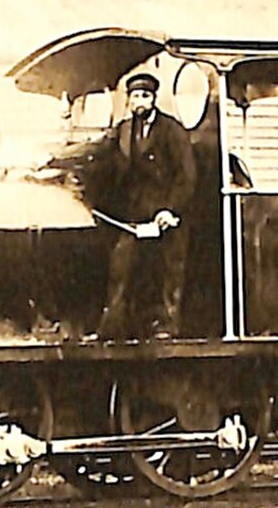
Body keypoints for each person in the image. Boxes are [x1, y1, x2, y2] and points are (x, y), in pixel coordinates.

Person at [82, 73, 197, 339]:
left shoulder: (172, 130)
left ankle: (167, 327)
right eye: (135, 96)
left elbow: (187, 175)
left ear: (154, 99)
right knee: (121, 268)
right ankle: (112, 329)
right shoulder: (123, 131)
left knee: (169, 271)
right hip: (134, 215)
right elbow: (97, 153)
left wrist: (170, 209)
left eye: (145, 96)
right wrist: (54, 161)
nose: (139, 101)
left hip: (167, 214)